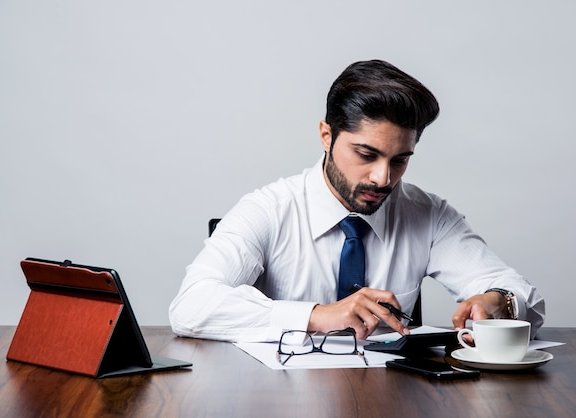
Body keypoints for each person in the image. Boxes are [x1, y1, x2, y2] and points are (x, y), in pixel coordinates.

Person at [169, 59, 545, 343]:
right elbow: (190, 307)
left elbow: (520, 292)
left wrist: (498, 302)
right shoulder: (267, 210)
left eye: (400, 160)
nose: (383, 178)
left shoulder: (428, 215)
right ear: (326, 135)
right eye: (366, 154)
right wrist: (317, 315)